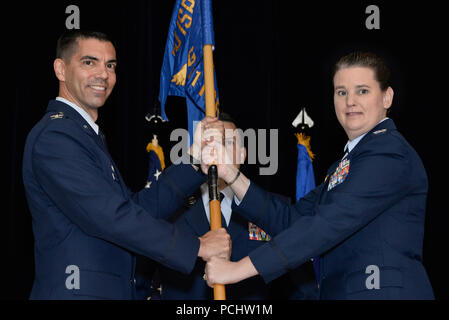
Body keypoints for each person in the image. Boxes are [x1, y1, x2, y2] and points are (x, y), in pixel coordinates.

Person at [203, 52, 435, 299]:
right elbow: (292, 221)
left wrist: (238, 269)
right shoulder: (343, 165)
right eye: (341, 92)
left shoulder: (389, 152)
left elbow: (326, 225)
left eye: (363, 91)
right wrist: (231, 174)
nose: (350, 102)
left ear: (387, 97)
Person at [22, 30, 231, 300]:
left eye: (110, 65)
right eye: (89, 62)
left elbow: (135, 210)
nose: (103, 74)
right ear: (60, 69)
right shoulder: (56, 136)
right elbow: (112, 216)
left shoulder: (85, 135)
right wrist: (196, 247)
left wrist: (193, 161)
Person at [159, 113, 287, 300]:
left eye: (227, 143)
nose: (218, 150)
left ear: (243, 154)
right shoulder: (171, 210)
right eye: (211, 142)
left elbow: (298, 281)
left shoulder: (273, 211)